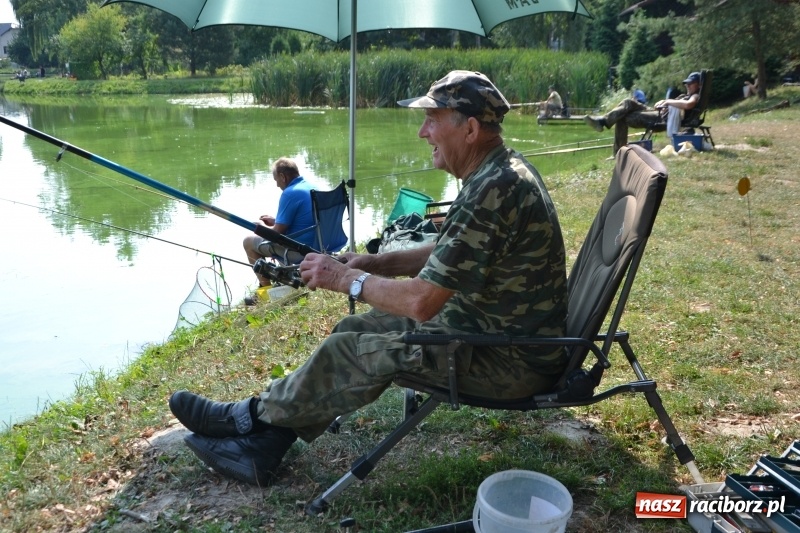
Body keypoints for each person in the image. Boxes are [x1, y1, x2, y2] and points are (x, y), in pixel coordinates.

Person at [168, 70, 568, 487]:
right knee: (355, 328)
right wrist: (373, 264)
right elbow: (448, 253)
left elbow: (421, 302)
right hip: (491, 329)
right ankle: (265, 442)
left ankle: (248, 419)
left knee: (355, 351)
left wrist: (345, 279)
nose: (422, 132)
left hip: (507, 360)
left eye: (433, 119)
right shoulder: (499, 171)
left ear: (469, 129)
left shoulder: (493, 188)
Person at [242, 157, 315, 300]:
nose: (277, 185)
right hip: (321, 244)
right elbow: (305, 219)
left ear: (283, 176)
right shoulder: (310, 187)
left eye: (276, 180)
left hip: (301, 250)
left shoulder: (290, 193)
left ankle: (265, 292)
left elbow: (275, 234)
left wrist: (261, 227)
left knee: (248, 242)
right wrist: (276, 221)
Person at [584, 71, 702, 139]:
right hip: (657, 112)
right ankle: (603, 121)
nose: (688, 85)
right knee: (628, 102)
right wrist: (664, 102)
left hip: (660, 118)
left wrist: (667, 101)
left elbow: (688, 105)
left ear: (699, 85)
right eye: (687, 83)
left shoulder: (695, 96)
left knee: (623, 117)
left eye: (691, 83)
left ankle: (617, 149)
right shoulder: (688, 95)